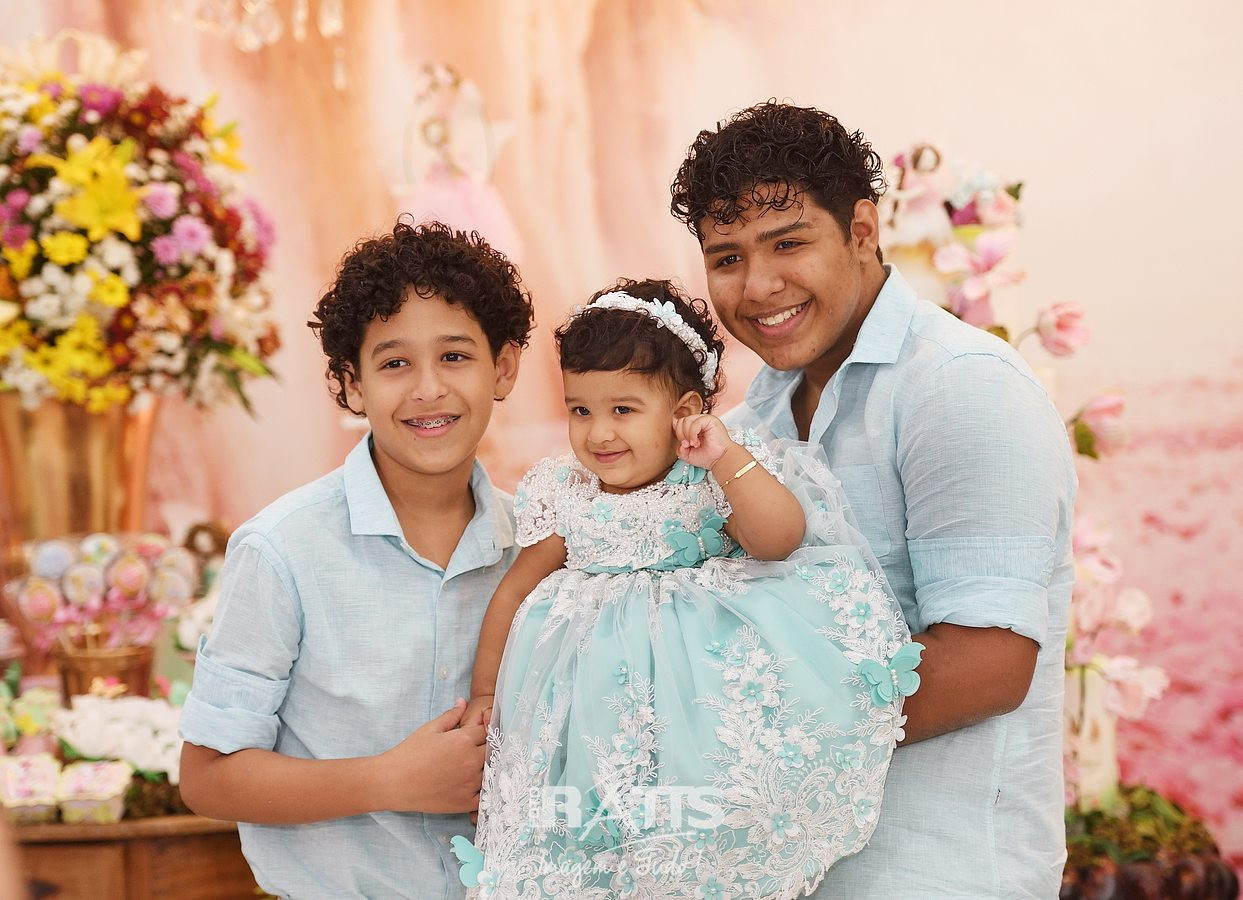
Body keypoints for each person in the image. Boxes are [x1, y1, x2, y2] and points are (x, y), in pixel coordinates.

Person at [671, 101, 1077, 897]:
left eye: (788, 243)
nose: (758, 286)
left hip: (942, 874)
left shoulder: (959, 387)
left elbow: (990, 663)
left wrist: (731, 736)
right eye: (726, 258)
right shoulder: (745, 428)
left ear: (862, 229)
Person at [450, 279, 920, 899]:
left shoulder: (705, 481)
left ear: (685, 411)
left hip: (693, 706)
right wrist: (488, 691)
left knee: (693, 835)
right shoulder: (568, 494)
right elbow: (514, 592)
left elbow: (779, 539)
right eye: (581, 410)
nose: (598, 433)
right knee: (593, 838)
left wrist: (725, 459)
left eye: (623, 410)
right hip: (591, 711)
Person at [177, 219, 535, 899]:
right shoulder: (281, 550)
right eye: (394, 363)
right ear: (351, 383)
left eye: (455, 356)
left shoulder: (538, 546)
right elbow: (207, 776)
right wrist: (389, 780)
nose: (427, 388)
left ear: (504, 368)